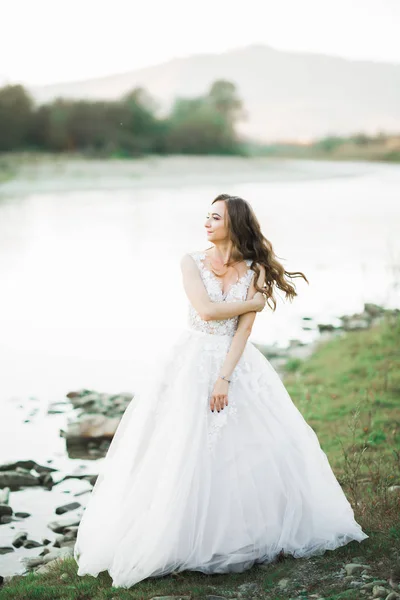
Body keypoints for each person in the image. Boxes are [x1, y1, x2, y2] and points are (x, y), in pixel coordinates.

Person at [73, 193, 368, 589]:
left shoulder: (255, 269)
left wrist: (225, 377)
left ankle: (242, 534)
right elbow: (207, 311)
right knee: (181, 445)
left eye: (216, 217)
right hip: (190, 360)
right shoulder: (190, 262)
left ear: (235, 223)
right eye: (207, 216)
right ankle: (172, 533)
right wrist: (255, 303)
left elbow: (243, 330)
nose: (207, 222)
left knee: (251, 447)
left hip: (235, 363)